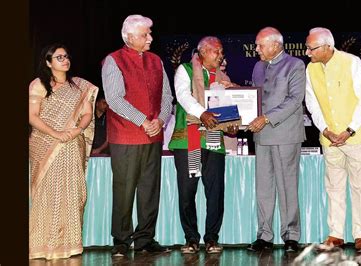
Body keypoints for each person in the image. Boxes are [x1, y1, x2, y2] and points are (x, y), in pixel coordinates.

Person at [101, 14, 173, 256]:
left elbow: (167, 98)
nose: (150, 38)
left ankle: (145, 239)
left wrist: (160, 121)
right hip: (126, 137)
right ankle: (121, 240)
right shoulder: (114, 60)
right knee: (124, 189)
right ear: (129, 37)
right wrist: (144, 121)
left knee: (149, 190)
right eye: (145, 35)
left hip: (153, 136)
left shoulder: (156, 61)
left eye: (149, 34)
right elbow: (113, 99)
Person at [304, 27, 361, 253]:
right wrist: (325, 130)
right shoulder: (310, 69)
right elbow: (311, 103)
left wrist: (349, 130)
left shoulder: (352, 62)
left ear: (327, 46)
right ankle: (336, 235)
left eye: (311, 48)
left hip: (356, 137)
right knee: (334, 187)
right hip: (329, 140)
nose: (307, 52)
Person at [168, 36, 239, 254]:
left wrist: (232, 125)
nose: (221, 55)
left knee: (215, 193)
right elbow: (183, 96)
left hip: (213, 142)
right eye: (216, 51)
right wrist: (202, 113)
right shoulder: (186, 70)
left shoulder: (223, 77)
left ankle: (211, 239)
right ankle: (191, 238)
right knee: (187, 193)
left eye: (221, 52)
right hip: (189, 141)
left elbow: (228, 109)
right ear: (202, 52)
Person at [29, 43, 98, 260]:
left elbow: (87, 113)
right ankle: (41, 246)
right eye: (59, 57)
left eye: (66, 56)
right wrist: (55, 133)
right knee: (47, 194)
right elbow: (32, 116)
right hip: (46, 143)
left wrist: (77, 129)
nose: (65, 60)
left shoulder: (79, 87)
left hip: (71, 144)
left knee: (72, 194)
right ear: (49, 63)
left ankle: (69, 246)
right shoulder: (39, 85)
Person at [246, 27, 306, 253]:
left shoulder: (295, 65)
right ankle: (264, 235)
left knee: (287, 186)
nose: (257, 49)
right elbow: (254, 99)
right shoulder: (258, 67)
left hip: (286, 134)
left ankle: (291, 235)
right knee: (263, 187)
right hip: (261, 136)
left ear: (275, 45)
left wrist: (267, 118)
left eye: (260, 45)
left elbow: (294, 100)